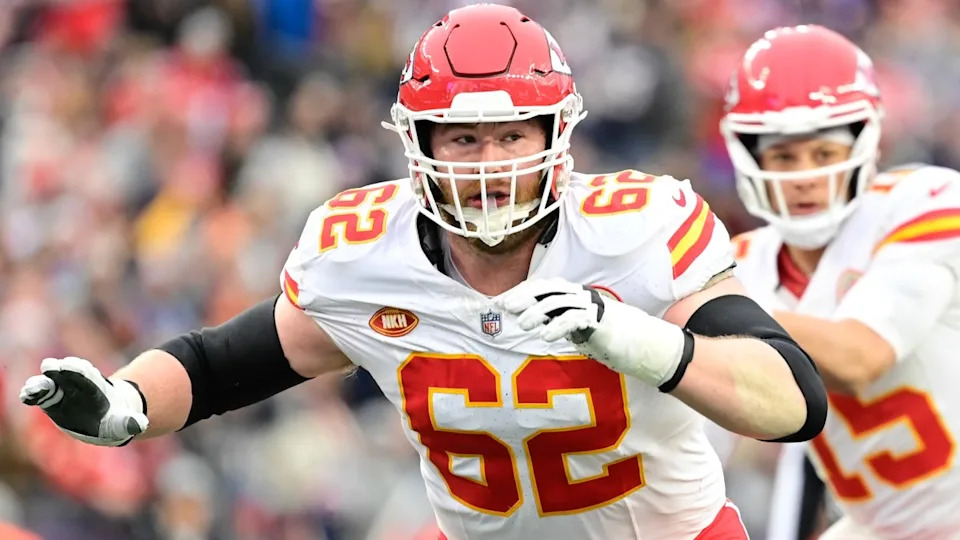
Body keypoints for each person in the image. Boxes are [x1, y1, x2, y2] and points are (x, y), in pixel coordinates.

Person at [19, 5, 827, 539]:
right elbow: (218, 364)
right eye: (463, 140)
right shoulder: (363, 258)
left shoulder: (638, 232)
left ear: (556, 135)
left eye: (512, 136)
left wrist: (631, 338)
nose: (491, 163)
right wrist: (126, 405)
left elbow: (792, 400)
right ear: (420, 147)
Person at [720, 24, 960, 540]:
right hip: (878, 525)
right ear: (750, 157)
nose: (804, 174)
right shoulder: (736, 266)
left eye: (823, 153)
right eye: (784, 155)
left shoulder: (920, 201)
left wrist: (722, 311)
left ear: (864, 143)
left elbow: (859, 360)